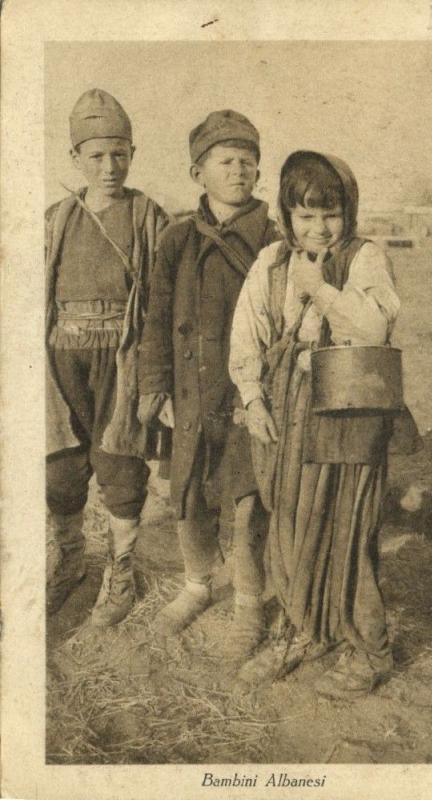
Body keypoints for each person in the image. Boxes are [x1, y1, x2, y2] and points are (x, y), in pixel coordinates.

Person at [229, 150, 419, 696]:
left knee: (346, 530)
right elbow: (248, 333)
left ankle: (370, 648)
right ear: (287, 216)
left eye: (329, 214)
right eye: (305, 215)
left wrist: (319, 289)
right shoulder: (270, 261)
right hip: (287, 411)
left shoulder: (365, 258)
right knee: (289, 526)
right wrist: (252, 400)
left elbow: (373, 327)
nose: (318, 227)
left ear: (347, 211)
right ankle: (301, 631)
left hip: (349, 411)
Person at [137, 110, 280, 659]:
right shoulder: (177, 239)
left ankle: (248, 600)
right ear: (198, 173)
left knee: (249, 501)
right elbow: (155, 317)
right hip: (190, 393)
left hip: (250, 397)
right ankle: (198, 584)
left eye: (248, 161)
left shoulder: (274, 237)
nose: (239, 171)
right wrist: (157, 388)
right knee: (189, 492)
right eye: (226, 161)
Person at [46, 88, 169, 626]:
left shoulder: (147, 215)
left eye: (119, 153)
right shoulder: (55, 219)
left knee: (119, 463)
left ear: (133, 153)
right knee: (60, 466)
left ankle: (121, 570)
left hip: (122, 357)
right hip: (60, 357)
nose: (109, 166)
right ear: (75, 158)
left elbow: (164, 298)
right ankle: (71, 560)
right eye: (96, 155)